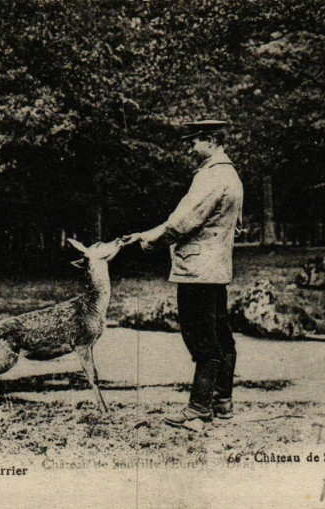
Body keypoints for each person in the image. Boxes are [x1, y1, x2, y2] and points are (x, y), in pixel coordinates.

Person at [123, 120, 244, 431]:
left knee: (201, 339)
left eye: (195, 141)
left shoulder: (211, 176)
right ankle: (222, 401)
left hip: (196, 271)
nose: (191, 148)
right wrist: (145, 233)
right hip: (215, 269)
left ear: (211, 140)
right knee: (221, 336)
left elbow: (181, 223)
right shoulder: (230, 175)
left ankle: (198, 409)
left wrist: (147, 242)